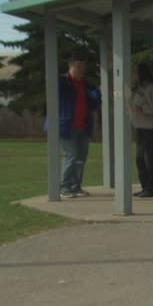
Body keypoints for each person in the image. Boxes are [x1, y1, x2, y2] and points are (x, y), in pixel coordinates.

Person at [57, 51, 101, 199]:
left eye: (83, 66)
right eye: (78, 66)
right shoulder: (62, 82)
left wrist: (97, 94)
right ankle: (64, 187)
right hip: (66, 126)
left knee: (81, 156)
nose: (81, 69)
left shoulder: (86, 84)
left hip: (83, 126)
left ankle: (76, 186)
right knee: (72, 155)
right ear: (71, 66)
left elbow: (94, 103)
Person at [130, 63, 153, 198]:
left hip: (152, 129)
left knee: (150, 160)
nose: (133, 75)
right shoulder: (139, 89)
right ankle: (145, 186)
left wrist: (142, 109)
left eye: (135, 72)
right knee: (140, 159)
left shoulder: (152, 89)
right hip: (140, 128)